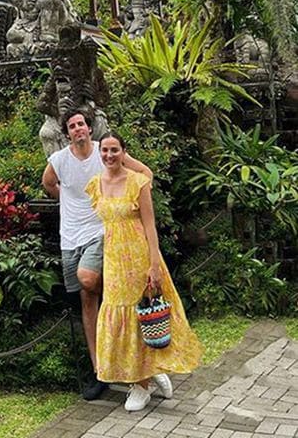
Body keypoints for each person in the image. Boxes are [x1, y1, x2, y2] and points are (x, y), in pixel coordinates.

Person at [86, 132, 202, 411]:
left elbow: (150, 226)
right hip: (114, 261)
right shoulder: (94, 185)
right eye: (104, 150)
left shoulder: (138, 182)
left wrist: (153, 265)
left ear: (124, 152)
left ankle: (142, 386)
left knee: (143, 316)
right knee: (118, 314)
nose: (109, 155)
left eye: (115, 150)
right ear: (98, 152)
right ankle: (148, 372)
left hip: (140, 258)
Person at [41, 108, 152, 400]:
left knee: (88, 278)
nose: (78, 129)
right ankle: (100, 369)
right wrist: (66, 201)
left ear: (89, 129)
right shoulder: (60, 160)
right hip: (70, 237)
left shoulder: (104, 153)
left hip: (100, 232)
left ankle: (125, 301)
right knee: (87, 301)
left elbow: (142, 173)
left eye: (81, 124)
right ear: (67, 133)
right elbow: (47, 183)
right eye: (72, 126)